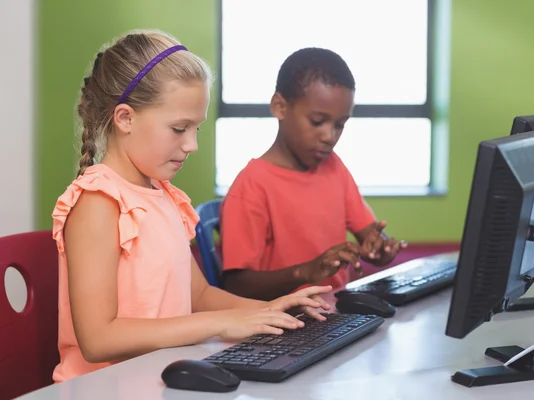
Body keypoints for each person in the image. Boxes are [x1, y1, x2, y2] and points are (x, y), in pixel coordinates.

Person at [50, 30, 332, 383]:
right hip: (103, 388)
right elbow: (98, 340)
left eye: (196, 128)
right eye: (179, 128)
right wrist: (222, 323)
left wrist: (272, 311)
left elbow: (198, 294)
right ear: (125, 118)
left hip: (162, 380)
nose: (192, 145)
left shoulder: (164, 195)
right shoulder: (98, 202)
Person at [219, 47, 407, 301]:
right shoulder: (251, 186)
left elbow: (369, 233)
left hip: (336, 314)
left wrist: (380, 246)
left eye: (340, 124)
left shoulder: (334, 167)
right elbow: (235, 285)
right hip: (285, 327)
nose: (329, 136)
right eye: (318, 121)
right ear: (280, 107)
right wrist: (304, 273)